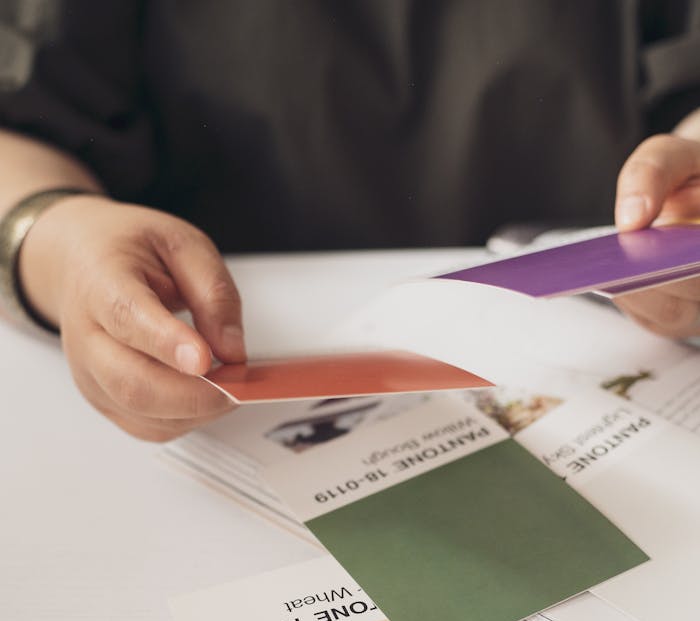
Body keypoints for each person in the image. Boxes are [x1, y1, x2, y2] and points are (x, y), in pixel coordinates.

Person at [0, 1, 699, 442]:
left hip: (607, 371)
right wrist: (60, 240)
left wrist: (689, 178)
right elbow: (22, 116)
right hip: (221, 403)